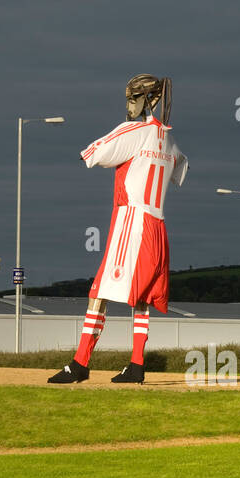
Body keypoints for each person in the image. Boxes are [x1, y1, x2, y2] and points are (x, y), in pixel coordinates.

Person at [49, 75, 187, 384]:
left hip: (131, 222)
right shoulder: (170, 141)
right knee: (141, 296)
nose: (128, 105)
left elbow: (93, 154)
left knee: (98, 292)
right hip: (158, 225)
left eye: (133, 98)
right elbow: (180, 169)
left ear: (148, 100)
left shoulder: (134, 130)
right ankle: (136, 365)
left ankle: (80, 363)